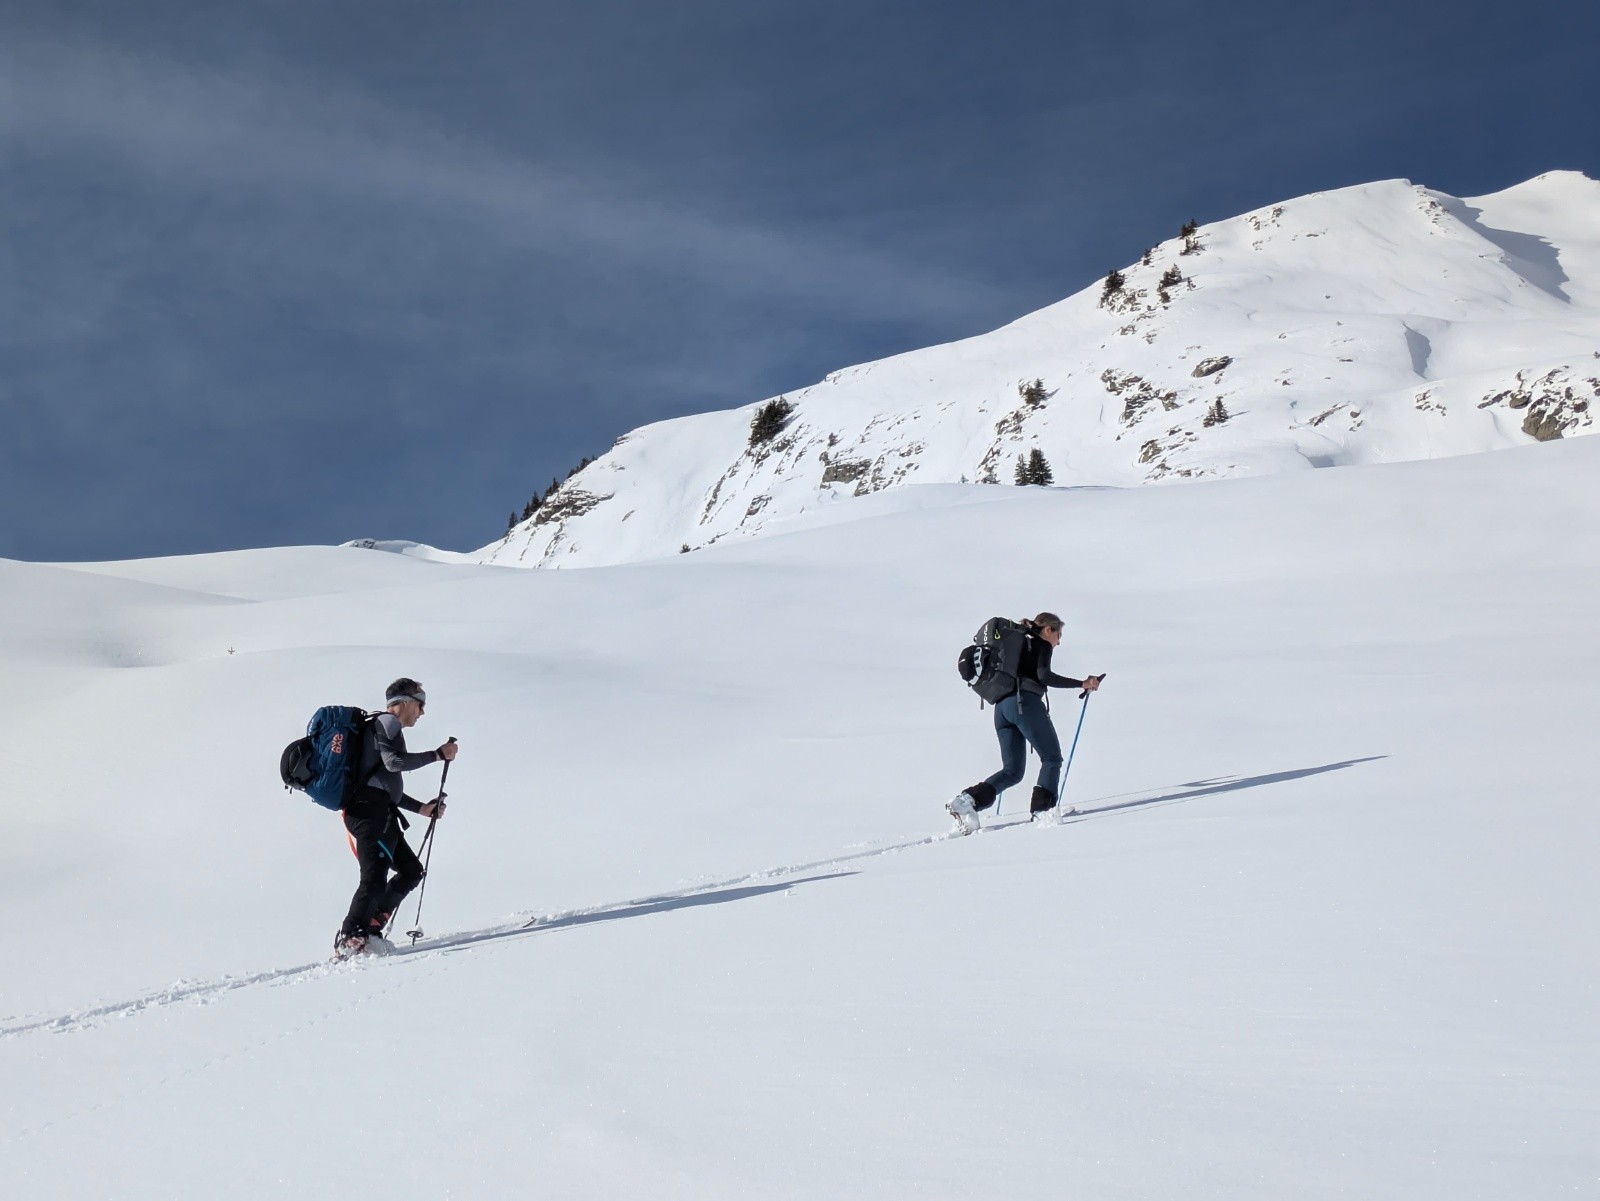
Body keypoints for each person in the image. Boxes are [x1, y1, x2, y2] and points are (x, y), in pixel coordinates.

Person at [335, 678, 458, 956]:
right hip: (369, 814)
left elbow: (386, 785)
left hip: (379, 812)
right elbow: (395, 763)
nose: (422, 712)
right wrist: (437, 755)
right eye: (419, 704)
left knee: (411, 871)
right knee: (373, 879)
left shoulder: (382, 728)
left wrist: (422, 809)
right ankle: (351, 937)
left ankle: (369, 929)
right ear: (402, 702)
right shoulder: (389, 723)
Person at [948, 613, 1102, 832]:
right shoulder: (1039, 643)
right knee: (1051, 758)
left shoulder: (1019, 641)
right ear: (1048, 629)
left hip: (1001, 710)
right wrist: (1082, 683)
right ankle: (1042, 811)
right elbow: (1044, 676)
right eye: (1058, 635)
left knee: (1012, 771)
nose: (1058, 642)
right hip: (1024, 704)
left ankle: (968, 801)